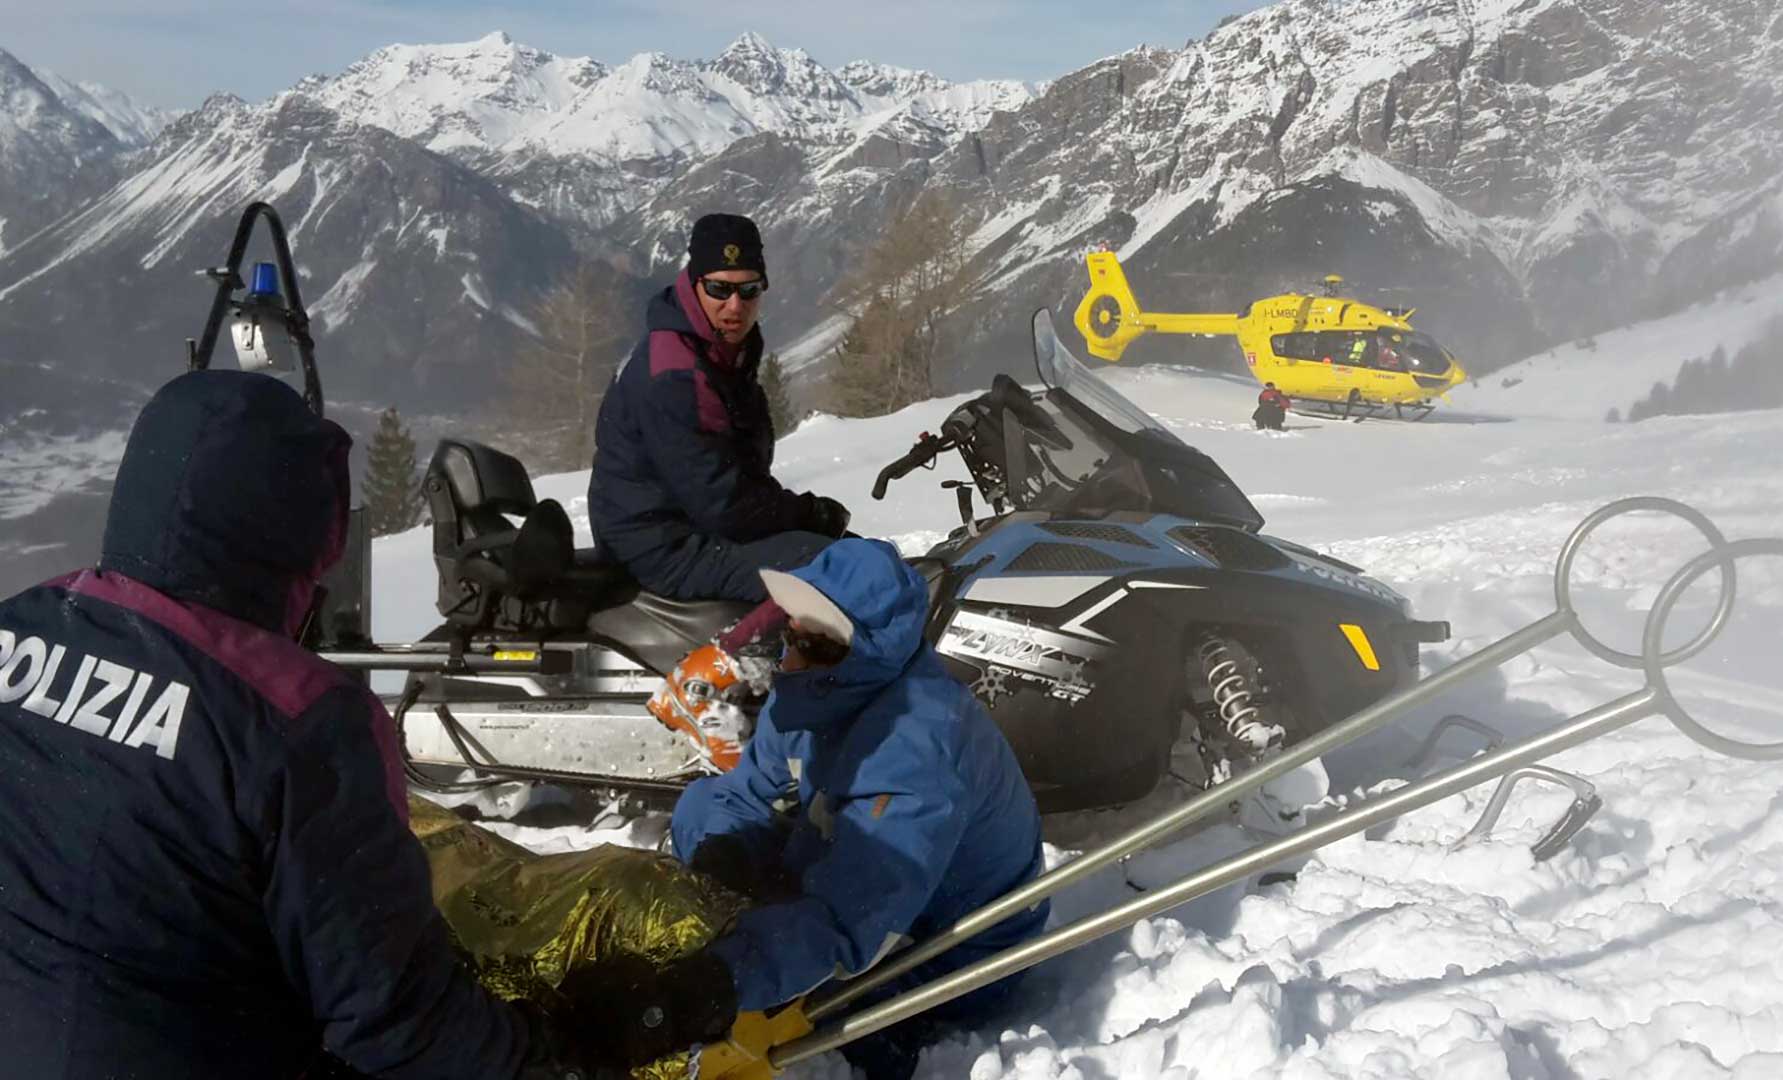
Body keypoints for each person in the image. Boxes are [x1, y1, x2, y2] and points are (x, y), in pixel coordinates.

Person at [0, 370, 719, 1079]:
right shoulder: (294, 717)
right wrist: (551, 1055)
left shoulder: (20, 623)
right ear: (294, 530)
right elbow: (395, 1018)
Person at [667, 540, 1049, 1077]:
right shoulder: (810, 687)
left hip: (940, 937)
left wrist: (711, 986)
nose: (792, 658)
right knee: (701, 806)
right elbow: (740, 793)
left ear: (868, 656)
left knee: (827, 1004)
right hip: (860, 872)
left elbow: (851, 921)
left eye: (818, 647)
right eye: (791, 635)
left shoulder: (918, 745)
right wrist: (722, 861)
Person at [588, 212, 849, 604]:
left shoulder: (715, 349)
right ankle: (751, 661)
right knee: (841, 571)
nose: (734, 306)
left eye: (749, 291)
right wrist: (809, 515)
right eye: (718, 289)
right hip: (660, 548)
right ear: (694, 285)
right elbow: (723, 506)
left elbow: (734, 479)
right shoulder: (676, 373)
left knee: (857, 557)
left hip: (683, 528)